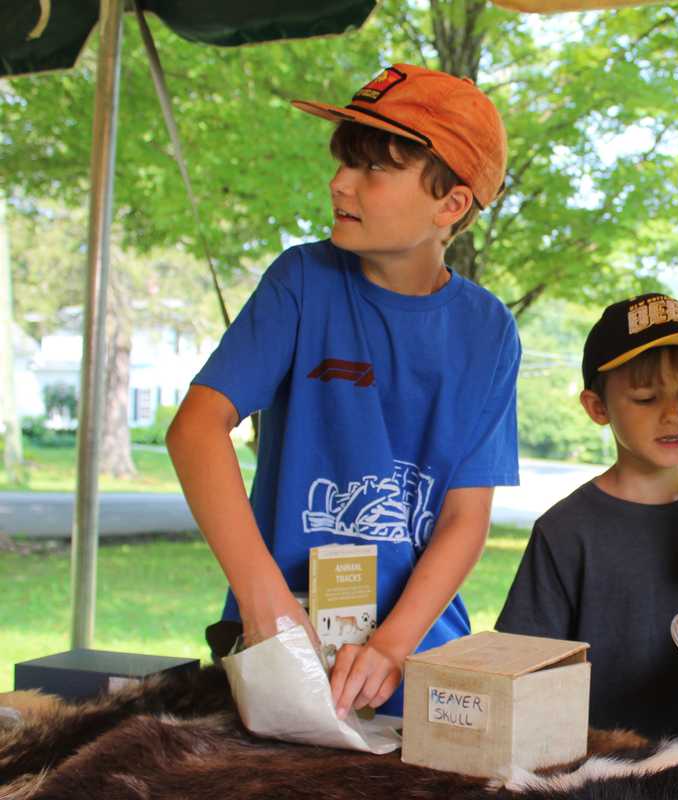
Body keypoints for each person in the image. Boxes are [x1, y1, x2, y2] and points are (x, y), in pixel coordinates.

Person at [166, 63, 519, 722]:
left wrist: (390, 647)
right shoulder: (302, 281)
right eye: (342, 162)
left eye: (372, 169)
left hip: (415, 656)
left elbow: (465, 519)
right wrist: (266, 606)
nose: (338, 182)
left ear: (451, 205)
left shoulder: (490, 331)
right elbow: (195, 430)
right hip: (281, 650)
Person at [495, 293, 678, 738]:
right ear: (597, 407)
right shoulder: (564, 531)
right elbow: (522, 666)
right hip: (590, 767)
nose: (674, 413)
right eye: (645, 398)